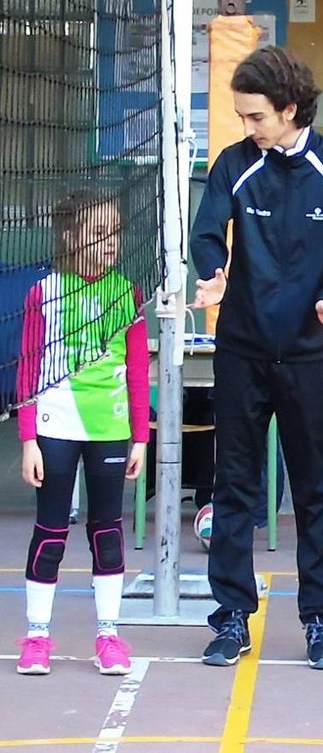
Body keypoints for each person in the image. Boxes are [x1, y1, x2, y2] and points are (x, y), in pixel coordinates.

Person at [189, 46, 323, 670]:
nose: (248, 128)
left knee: (317, 490)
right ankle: (231, 617)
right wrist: (212, 273)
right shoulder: (234, 166)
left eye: (256, 117)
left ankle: (322, 620)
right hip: (241, 352)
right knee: (234, 487)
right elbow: (209, 229)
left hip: (309, 355)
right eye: (242, 118)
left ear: (290, 109)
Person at [16, 191, 148, 676]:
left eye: (115, 233)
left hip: (110, 428)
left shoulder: (127, 293)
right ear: (71, 238)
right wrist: (28, 438)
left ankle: (108, 635)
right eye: (98, 234)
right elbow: (27, 368)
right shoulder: (43, 293)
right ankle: (37, 636)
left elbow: (137, 367)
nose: (109, 243)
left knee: (107, 533)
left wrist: (140, 436)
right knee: (50, 532)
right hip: (54, 426)